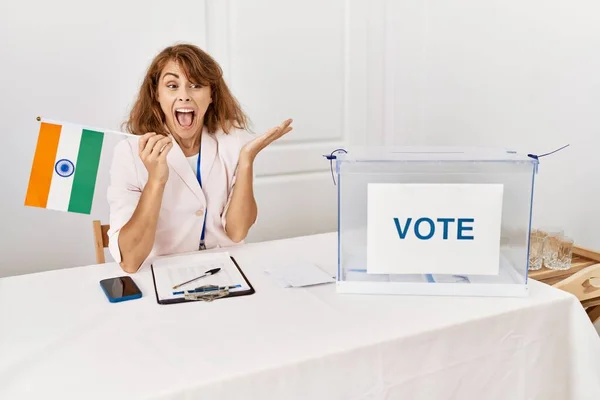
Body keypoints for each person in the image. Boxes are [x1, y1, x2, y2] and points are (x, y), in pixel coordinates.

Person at [106, 43, 293, 273]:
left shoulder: (233, 142)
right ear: (157, 94)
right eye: (172, 86)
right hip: (161, 275)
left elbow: (237, 232)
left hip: (227, 270)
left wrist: (246, 160)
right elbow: (130, 261)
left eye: (196, 85)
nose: (184, 96)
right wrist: (156, 180)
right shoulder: (129, 153)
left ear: (212, 94)